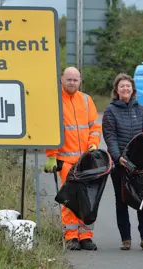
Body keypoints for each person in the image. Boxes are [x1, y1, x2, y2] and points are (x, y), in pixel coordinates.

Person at [43, 66, 102, 251]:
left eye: (75, 80)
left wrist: (93, 144)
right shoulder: (55, 101)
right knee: (70, 200)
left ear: (80, 81)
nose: (72, 83)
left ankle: (85, 235)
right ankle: (71, 236)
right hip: (66, 160)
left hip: (86, 160)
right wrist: (51, 156)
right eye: (69, 79)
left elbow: (94, 127)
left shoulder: (86, 100)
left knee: (87, 199)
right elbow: (50, 130)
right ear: (62, 79)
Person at [102, 73, 143, 251]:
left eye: (128, 86)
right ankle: (126, 238)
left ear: (133, 90)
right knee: (122, 201)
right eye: (122, 86)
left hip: (140, 165)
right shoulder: (110, 111)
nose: (125, 89)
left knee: (142, 200)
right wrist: (118, 158)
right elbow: (110, 137)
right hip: (120, 164)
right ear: (116, 90)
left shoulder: (141, 110)